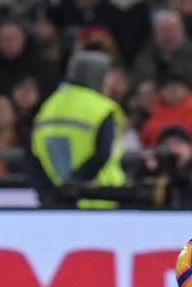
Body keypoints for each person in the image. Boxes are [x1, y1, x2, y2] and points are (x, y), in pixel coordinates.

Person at [26, 50, 127, 209]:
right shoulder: (102, 108)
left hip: (58, 203)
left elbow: (32, 157)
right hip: (102, 200)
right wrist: (76, 185)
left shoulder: (48, 107)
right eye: (108, 76)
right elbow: (102, 154)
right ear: (97, 75)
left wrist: (51, 193)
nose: (111, 83)